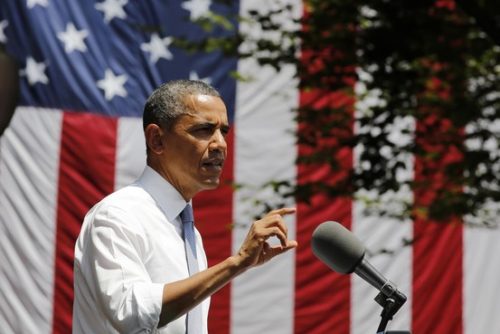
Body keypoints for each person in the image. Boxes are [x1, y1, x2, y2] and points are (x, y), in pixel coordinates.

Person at [72, 79, 297, 334]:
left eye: (224, 131)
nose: (220, 143)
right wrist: (236, 263)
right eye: (203, 130)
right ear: (157, 140)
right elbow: (132, 315)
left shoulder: (185, 228)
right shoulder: (117, 216)